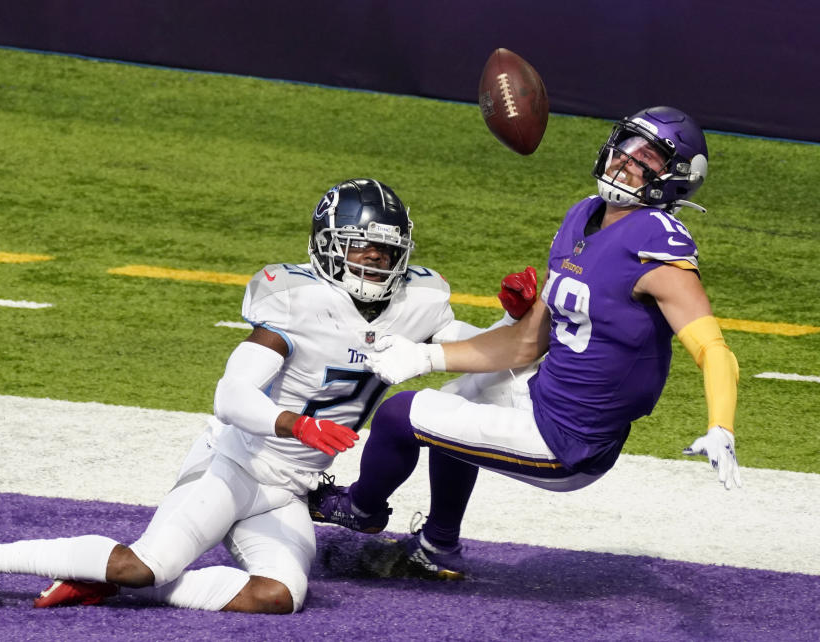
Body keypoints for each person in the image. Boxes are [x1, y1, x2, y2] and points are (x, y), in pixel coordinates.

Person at [0, 178, 519, 613]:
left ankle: (103, 581)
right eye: (360, 246)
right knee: (144, 563)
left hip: (290, 492)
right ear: (327, 247)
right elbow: (230, 395)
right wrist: (297, 425)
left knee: (278, 598)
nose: (373, 259)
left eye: (384, 249)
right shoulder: (295, 300)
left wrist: (516, 323)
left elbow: (480, 356)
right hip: (235, 464)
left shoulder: (417, 301)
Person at [308, 106, 742, 580]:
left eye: (647, 158)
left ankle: (360, 509)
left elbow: (713, 349)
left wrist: (722, 425)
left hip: (569, 442)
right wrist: (426, 357)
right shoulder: (585, 214)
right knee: (457, 399)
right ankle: (438, 547)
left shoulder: (657, 246)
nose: (625, 161)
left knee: (399, 415)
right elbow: (524, 344)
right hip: (545, 394)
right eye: (626, 145)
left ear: (676, 178)